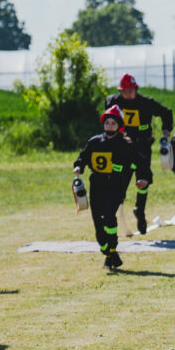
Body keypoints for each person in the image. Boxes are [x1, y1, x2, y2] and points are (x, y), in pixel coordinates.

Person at [73, 106, 148, 271]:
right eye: (107, 122)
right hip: (96, 185)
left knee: (108, 217)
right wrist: (79, 166)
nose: (110, 125)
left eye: (113, 123)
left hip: (115, 186)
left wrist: (143, 178)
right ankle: (107, 251)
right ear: (103, 124)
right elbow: (83, 157)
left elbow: (140, 162)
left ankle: (112, 250)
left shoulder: (126, 145)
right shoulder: (94, 142)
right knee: (98, 223)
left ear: (119, 125)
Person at [105, 74, 172, 234]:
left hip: (142, 145)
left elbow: (166, 112)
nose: (127, 94)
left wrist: (166, 129)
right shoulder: (114, 102)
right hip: (123, 145)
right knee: (121, 177)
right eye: (124, 91)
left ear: (136, 89)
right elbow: (107, 114)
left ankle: (139, 210)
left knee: (144, 178)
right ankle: (114, 209)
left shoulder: (146, 103)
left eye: (130, 91)